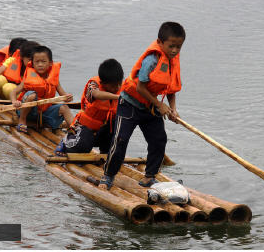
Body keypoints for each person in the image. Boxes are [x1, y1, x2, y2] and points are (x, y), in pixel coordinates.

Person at [99, 22, 186, 190]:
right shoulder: (151, 60)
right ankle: (108, 176)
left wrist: (173, 110)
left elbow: (171, 88)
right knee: (120, 139)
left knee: (159, 140)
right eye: (171, 46)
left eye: (179, 47)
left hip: (150, 108)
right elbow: (140, 87)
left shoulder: (173, 61)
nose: (175, 50)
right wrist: (159, 105)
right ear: (160, 43)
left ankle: (149, 177)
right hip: (130, 105)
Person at [54, 58, 124, 156]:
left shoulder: (122, 88)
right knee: (83, 146)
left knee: (117, 131)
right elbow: (96, 94)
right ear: (103, 83)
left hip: (103, 130)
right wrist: (117, 97)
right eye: (113, 86)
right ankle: (65, 143)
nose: (117, 88)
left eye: (119, 84)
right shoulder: (93, 85)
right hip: (84, 128)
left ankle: (105, 152)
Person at [10, 45, 74, 133]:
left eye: (43, 62)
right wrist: (14, 102)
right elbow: (13, 92)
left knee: (64, 108)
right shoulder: (29, 77)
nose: (40, 65)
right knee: (32, 95)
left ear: (50, 63)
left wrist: (68, 97)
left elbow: (64, 96)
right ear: (32, 63)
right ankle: (22, 120)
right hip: (29, 113)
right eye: (37, 62)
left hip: (44, 114)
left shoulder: (53, 78)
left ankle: (75, 129)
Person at [0, 41, 40, 105]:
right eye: (29, 59)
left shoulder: (39, 67)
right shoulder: (12, 60)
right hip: (5, 93)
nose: (33, 62)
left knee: (8, 87)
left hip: (20, 97)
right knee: (0, 79)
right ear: (22, 57)